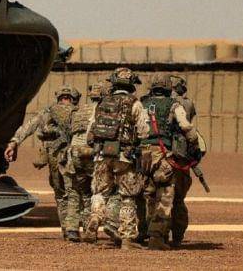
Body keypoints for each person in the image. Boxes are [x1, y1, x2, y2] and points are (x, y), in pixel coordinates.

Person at [82, 67, 149, 250]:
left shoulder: (101, 102)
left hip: (101, 155)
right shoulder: (135, 103)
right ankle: (127, 237)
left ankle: (94, 220)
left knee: (99, 192)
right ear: (131, 84)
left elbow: (89, 133)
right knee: (127, 196)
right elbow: (144, 131)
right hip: (124, 157)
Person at [5, 85, 79, 239]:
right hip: (71, 156)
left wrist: (14, 143)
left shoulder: (47, 112)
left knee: (60, 194)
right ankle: (72, 228)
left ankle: (66, 229)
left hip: (53, 155)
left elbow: (28, 127)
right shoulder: (78, 112)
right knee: (73, 191)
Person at [140, 73, 199, 250]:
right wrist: (194, 144)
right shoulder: (174, 105)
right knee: (165, 196)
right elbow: (186, 126)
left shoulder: (142, 103)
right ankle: (157, 237)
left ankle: (145, 232)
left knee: (148, 195)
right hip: (163, 154)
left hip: (142, 155)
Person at [60, 82, 102, 241]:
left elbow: (67, 133)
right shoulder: (104, 110)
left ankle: (71, 229)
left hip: (74, 154)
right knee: (91, 192)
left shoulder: (77, 110)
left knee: (73, 192)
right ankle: (88, 227)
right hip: (91, 153)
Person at [169, 74, 197, 246]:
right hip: (180, 156)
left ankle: (155, 233)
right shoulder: (187, 103)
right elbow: (189, 128)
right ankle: (177, 235)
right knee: (178, 198)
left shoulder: (152, 101)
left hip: (159, 153)